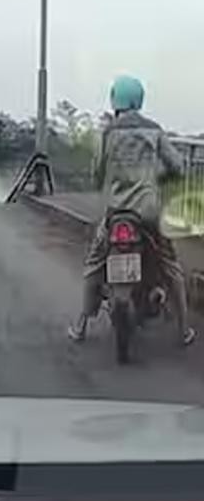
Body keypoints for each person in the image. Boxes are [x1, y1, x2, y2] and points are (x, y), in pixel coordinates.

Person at [68, 74, 195, 345]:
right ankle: (184, 330)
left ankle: (80, 324)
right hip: (148, 213)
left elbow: (97, 172)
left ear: (116, 100)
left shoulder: (108, 132)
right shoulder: (154, 130)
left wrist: (105, 181)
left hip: (117, 214)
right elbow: (177, 166)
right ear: (138, 99)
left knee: (93, 265)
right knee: (171, 267)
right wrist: (158, 177)